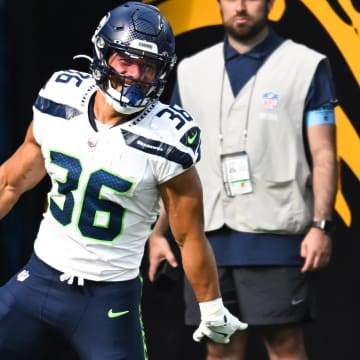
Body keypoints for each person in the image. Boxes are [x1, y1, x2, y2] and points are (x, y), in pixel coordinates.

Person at [0, 2, 248, 359]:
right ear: (104, 55)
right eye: (126, 60)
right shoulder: (61, 98)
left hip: (108, 302)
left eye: (148, 67)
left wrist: (211, 308)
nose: (134, 75)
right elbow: (11, 181)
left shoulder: (168, 137)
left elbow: (189, 234)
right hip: (40, 279)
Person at [148, 0, 338, 359]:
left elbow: (325, 153)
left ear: (270, 3)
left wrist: (321, 225)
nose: (241, 6)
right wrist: (157, 233)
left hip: (276, 233)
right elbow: (176, 162)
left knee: (285, 345)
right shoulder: (190, 71)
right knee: (220, 349)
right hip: (206, 239)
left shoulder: (305, 66)